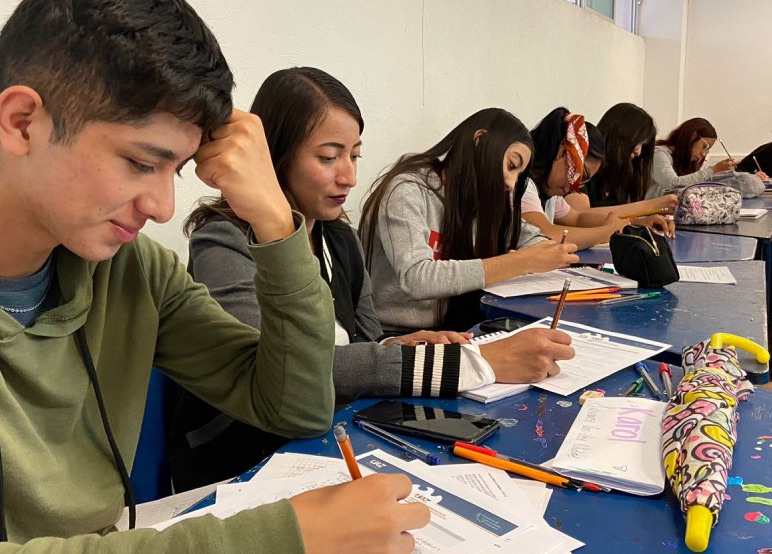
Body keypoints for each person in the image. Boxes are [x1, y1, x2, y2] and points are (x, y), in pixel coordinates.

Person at [0, 0, 429, 552]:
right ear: (21, 123)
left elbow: (294, 407)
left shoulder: (134, 271)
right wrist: (285, 538)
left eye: (177, 168)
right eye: (142, 162)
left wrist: (275, 221)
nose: (163, 207)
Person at [169, 68, 577, 490]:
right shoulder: (222, 242)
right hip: (249, 456)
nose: (348, 176)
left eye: (354, 155)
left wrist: (395, 344)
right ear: (275, 156)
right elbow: (290, 373)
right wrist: (475, 364)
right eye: (328, 157)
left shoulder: (337, 235)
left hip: (335, 427)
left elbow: (364, 337)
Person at [359, 108, 580, 334]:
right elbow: (416, 278)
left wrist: (541, 252)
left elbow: (529, 237)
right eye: (511, 165)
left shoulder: (481, 200)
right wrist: (519, 262)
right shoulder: (407, 191)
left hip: (456, 328)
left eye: (518, 175)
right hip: (395, 337)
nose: (511, 183)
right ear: (479, 140)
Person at [522, 107, 630, 250]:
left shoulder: (549, 192)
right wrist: (608, 231)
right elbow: (546, 232)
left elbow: (577, 218)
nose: (572, 187)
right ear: (562, 151)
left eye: (583, 181)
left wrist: (630, 224)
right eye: (578, 174)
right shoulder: (522, 183)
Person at [565, 102, 677, 235]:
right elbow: (579, 216)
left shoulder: (619, 175)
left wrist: (638, 223)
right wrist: (652, 206)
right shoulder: (586, 165)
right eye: (638, 143)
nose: (638, 152)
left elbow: (608, 220)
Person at [645, 117, 737, 198]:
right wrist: (714, 169)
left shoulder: (682, 160)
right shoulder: (658, 154)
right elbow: (672, 184)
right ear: (692, 136)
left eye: (707, 150)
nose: (703, 154)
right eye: (704, 147)